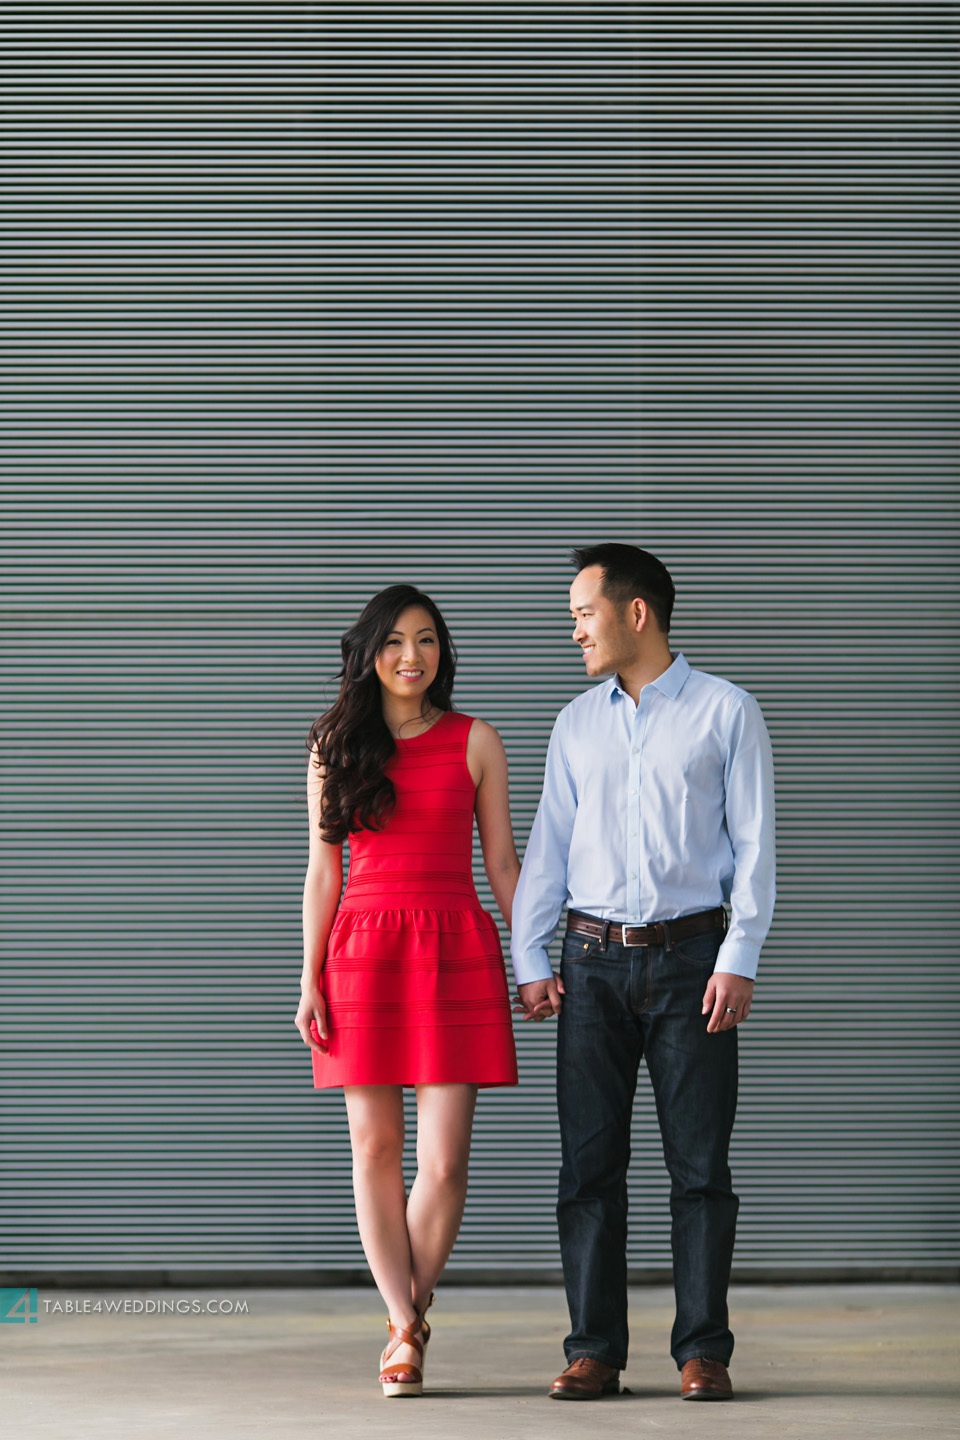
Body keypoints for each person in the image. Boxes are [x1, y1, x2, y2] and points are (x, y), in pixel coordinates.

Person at [511, 543, 775, 1403]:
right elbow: (548, 851)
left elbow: (755, 851)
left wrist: (738, 959)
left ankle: (703, 1350)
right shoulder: (575, 724)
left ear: (636, 613)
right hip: (588, 966)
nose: (574, 630)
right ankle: (594, 1351)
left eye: (583, 613)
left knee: (700, 1169)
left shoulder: (727, 712)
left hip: (693, 963)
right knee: (587, 1170)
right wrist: (531, 957)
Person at [295, 583, 520, 1399]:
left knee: (446, 1161)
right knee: (373, 1151)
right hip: (363, 953)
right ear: (369, 653)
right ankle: (404, 1329)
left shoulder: (477, 741)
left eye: (427, 641)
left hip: (455, 947)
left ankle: (405, 1316)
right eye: (395, 641)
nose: (412, 657)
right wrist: (307, 977)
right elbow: (323, 875)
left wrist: (533, 961)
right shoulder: (333, 746)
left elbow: (503, 867)